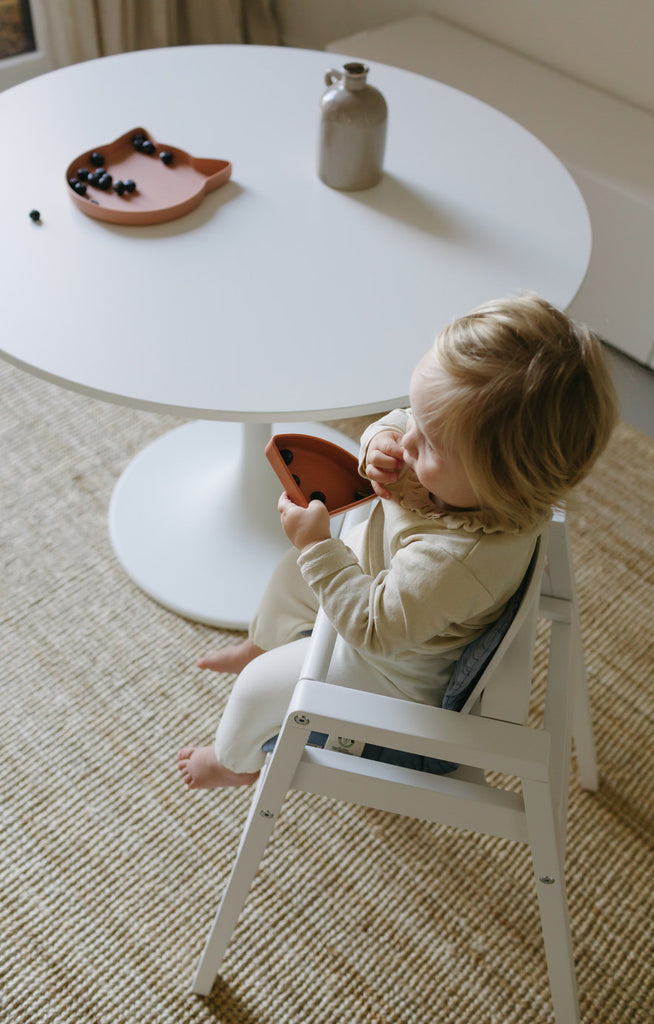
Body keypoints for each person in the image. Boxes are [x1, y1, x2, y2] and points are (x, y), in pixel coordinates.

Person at [178, 293, 618, 790]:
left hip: (389, 667)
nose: (408, 443)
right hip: (378, 577)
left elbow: (372, 629)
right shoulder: (464, 478)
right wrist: (378, 441)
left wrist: (318, 549)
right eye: (416, 417)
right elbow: (398, 422)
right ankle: (259, 645)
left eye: (428, 443)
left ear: (504, 484)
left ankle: (233, 762)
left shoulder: (456, 561)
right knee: (288, 576)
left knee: (259, 690)